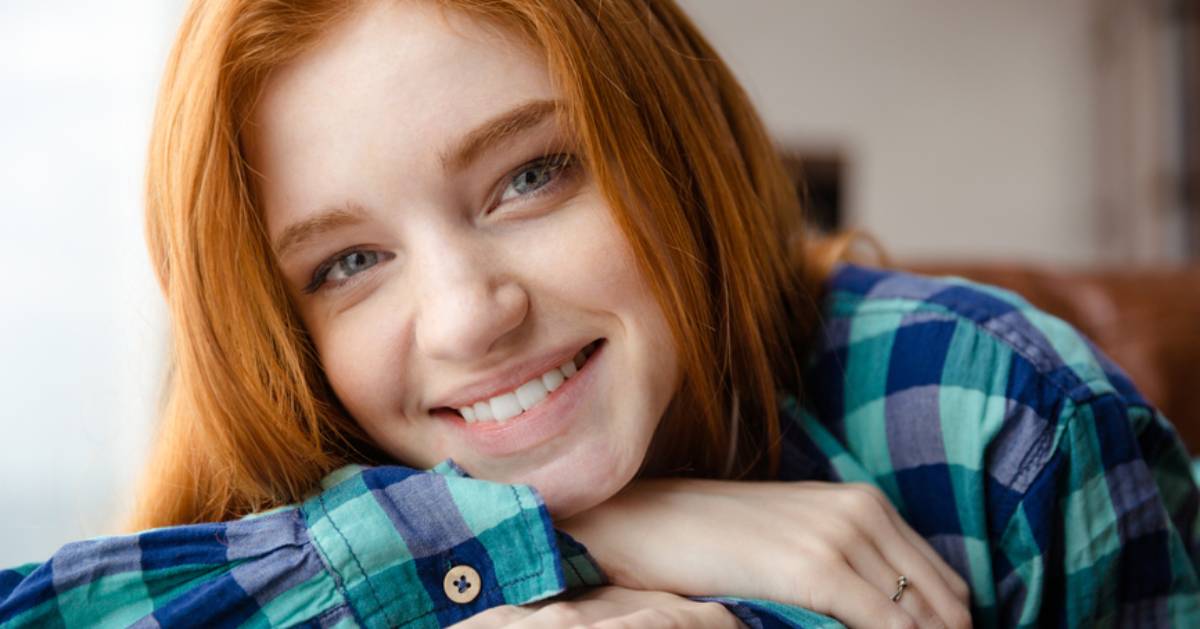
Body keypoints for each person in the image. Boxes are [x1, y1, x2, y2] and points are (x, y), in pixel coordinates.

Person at [2, 0, 1197, 627]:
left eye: (530, 177)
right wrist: (584, 536)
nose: (470, 314)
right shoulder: (299, 484)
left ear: (669, 148)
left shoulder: (998, 413)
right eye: (350, 261)